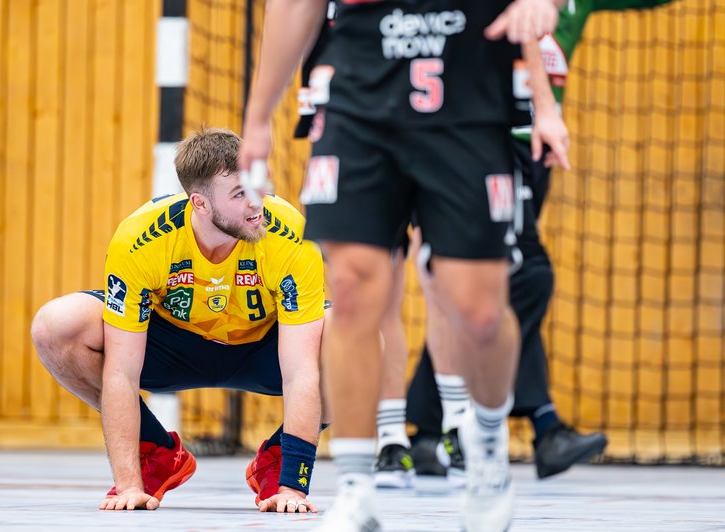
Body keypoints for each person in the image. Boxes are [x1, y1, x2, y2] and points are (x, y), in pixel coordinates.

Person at [240, 1, 569, 530]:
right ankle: (355, 484)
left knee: (480, 313)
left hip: (467, 99)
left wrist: (545, 88)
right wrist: (257, 119)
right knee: (350, 294)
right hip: (359, 102)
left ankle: (486, 446)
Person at [406, 0, 671, 481]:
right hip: (486, 142)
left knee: (489, 287)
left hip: (538, 150)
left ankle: (432, 430)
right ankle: (528, 426)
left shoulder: (574, 5)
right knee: (522, 275)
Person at [31, 128, 326, 513]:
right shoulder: (141, 238)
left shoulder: (290, 234)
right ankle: (156, 454)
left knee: (359, 343)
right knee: (55, 325)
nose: (257, 205)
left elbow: (302, 371)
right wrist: (127, 486)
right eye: (240, 194)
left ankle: (277, 462)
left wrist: (293, 487)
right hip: (172, 345)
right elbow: (120, 372)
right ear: (199, 204)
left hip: (261, 346)